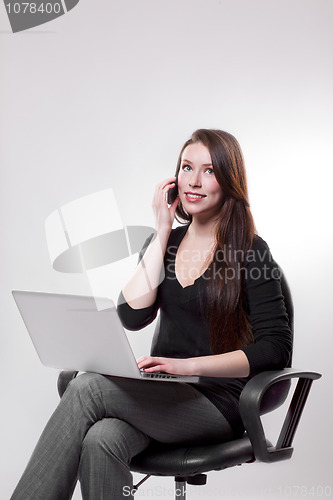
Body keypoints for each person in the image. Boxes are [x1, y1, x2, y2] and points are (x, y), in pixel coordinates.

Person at [11, 129, 292, 500]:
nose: (193, 181)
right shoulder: (167, 244)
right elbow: (131, 314)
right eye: (186, 167)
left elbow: (274, 350)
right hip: (163, 396)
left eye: (208, 171)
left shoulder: (252, 251)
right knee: (101, 439)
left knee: (87, 387)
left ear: (229, 179)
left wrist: (189, 366)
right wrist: (161, 229)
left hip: (220, 403)